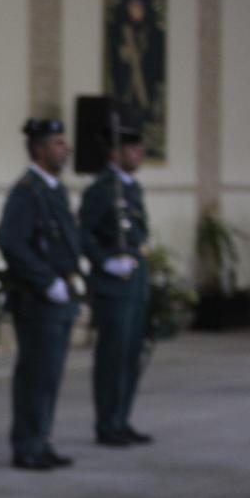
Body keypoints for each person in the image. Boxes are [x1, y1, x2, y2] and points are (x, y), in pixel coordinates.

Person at [0, 119, 80, 471]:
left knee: (51, 375)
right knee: (35, 374)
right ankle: (26, 445)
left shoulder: (54, 190)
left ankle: (41, 439)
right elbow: (12, 243)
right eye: (58, 143)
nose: (66, 149)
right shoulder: (27, 191)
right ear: (40, 149)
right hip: (37, 299)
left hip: (59, 298)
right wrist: (46, 281)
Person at [78, 118, 153, 447]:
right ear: (116, 153)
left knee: (131, 355)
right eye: (132, 149)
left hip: (135, 282)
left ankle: (122, 417)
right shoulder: (102, 189)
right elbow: (83, 233)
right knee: (112, 356)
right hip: (113, 286)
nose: (139, 154)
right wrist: (105, 261)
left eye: (139, 148)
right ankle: (106, 422)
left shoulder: (132, 188)